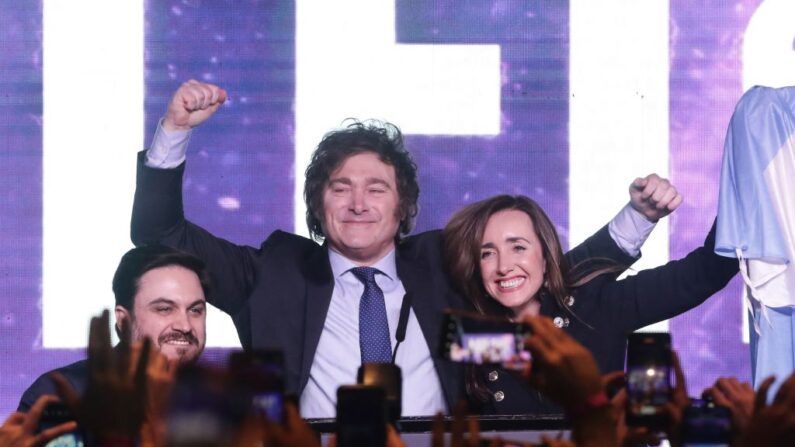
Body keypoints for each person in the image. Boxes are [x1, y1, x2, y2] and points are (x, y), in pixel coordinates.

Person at [131, 80, 673, 418]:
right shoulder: (274, 271)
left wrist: (637, 219)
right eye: (340, 188)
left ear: (402, 205)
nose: (358, 203)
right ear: (318, 206)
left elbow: (541, 275)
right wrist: (175, 129)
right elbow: (159, 234)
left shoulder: (440, 262)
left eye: (376, 189)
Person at [442, 194, 739, 414]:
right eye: (487, 253)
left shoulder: (594, 309)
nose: (504, 266)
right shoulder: (468, 335)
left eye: (518, 247)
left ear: (546, 255)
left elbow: (705, 273)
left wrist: (746, 182)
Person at [18, 244, 209, 412]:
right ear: (124, 320)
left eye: (195, 310)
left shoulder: (224, 403)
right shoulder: (61, 395)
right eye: (165, 309)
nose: (185, 325)